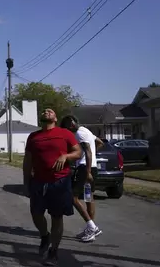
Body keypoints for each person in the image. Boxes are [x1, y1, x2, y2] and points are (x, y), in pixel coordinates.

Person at [23, 108, 82, 266]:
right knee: (36, 214)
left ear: (55, 118)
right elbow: (27, 161)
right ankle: (44, 235)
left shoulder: (65, 133)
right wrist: (26, 182)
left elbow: (78, 152)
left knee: (57, 217)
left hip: (60, 181)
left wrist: (65, 156)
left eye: (50, 111)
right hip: (38, 181)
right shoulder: (33, 137)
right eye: (44, 111)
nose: (46, 111)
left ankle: (53, 251)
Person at [60, 115, 105, 243]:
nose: (67, 132)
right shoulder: (86, 130)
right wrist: (91, 158)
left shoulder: (79, 133)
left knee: (72, 197)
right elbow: (100, 143)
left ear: (71, 124)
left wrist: (88, 171)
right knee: (88, 197)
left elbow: (88, 151)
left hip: (85, 169)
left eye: (66, 128)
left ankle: (92, 227)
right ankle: (90, 230)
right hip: (91, 167)